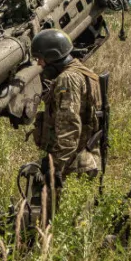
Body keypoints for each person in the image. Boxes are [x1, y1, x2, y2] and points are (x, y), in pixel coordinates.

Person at [30, 29, 102, 183]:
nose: (39, 64)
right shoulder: (82, 71)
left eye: (40, 59)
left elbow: (69, 127)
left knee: (49, 206)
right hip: (85, 159)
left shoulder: (67, 79)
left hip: (73, 165)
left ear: (52, 56)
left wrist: (55, 166)